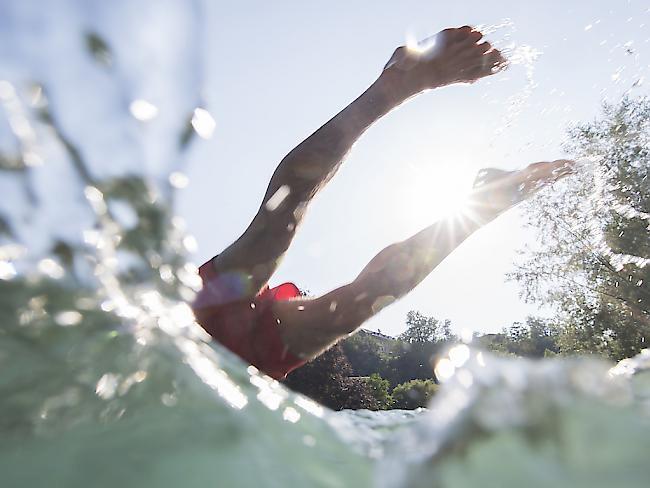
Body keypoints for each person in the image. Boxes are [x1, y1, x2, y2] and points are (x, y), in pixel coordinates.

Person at [191, 26, 573, 380]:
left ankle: (394, 86)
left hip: (186, 324)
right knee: (358, 306)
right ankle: (483, 206)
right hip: (231, 371)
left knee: (273, 228)